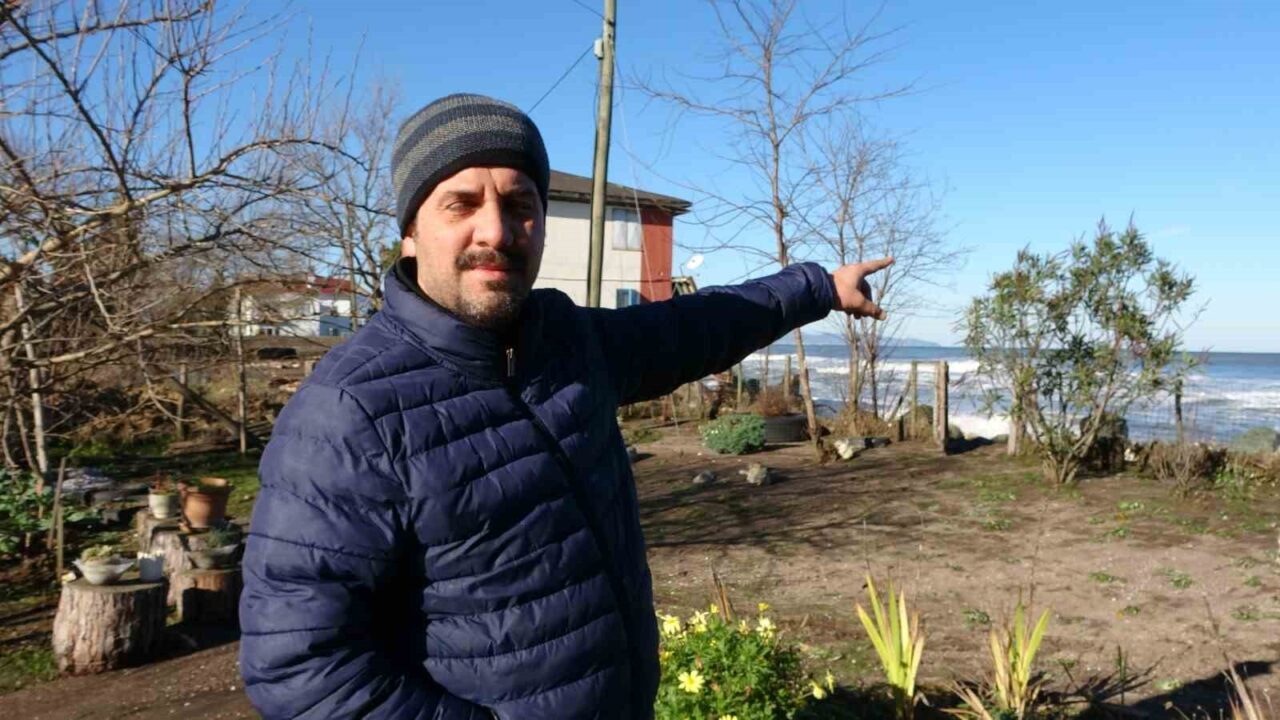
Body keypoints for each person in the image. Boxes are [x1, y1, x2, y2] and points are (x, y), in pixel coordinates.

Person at [238, 93, 892, 719]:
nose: (497, 230)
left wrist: (817, 288)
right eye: (461, 203)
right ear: (410, 231)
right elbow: (297, 666)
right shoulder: (350, 415)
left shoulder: (567, 345)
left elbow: (698, 326)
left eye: (520, 204)